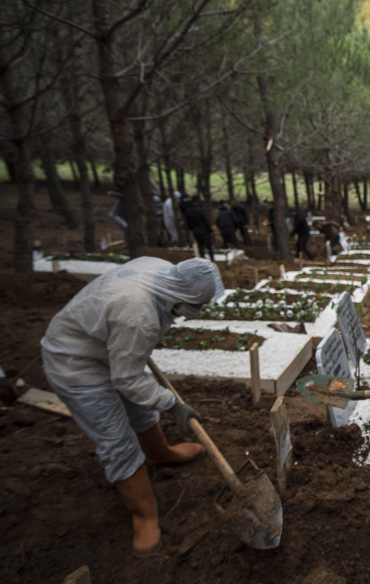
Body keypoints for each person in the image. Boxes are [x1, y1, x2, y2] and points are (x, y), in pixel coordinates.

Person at [41, 257, 223, 555]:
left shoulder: (162, 268)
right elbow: (125, 379)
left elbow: (129, 371)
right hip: (76, 362)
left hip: (105, 343)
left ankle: (160, 453)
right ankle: (144, 515)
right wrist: (172, 405)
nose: (198, 311)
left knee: (140, 407)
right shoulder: (138, 316)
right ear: (179, 297)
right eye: (196, 306)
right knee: (116, 439)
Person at [183, 196, 215, 262]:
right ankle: (212, 259)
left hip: (195, 231)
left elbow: (187, 222)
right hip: (204, 230)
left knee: (200, 245)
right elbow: (206, 221)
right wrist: (210, 230)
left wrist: (190, 230)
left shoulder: (188, 211)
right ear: (197, 201)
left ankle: (202, 258)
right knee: (208, 245)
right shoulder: (201, 210)